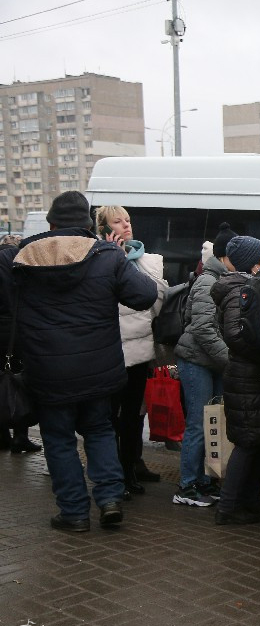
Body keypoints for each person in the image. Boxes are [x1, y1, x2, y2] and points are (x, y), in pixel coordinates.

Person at [0, 191, 157, 531]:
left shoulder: (21, 257)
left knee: (58, 439)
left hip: (46, 369)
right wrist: (119, 258)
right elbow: (144, 296)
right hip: (98, 368)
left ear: (51, 223)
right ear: (88, 224)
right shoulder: (106, 256)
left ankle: (73, 513)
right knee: (99, 431)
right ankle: (110, 499)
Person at [95, 205, 168, 499]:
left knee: (133, 417)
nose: (126, 225)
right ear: (103, 228)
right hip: (108, 352)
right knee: (108, 418)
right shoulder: (96, 257)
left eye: (128, 220)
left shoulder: (146, 260)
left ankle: (129, 469)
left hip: (138, 351)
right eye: (118, 221)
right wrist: (114, 259)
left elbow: (156, 298)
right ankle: (114, 477)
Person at [210, 236, 260, 525]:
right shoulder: (240, 289)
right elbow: (237, 335)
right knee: (248, 442)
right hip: (249, 374)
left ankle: (251, 501)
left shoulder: (238, 286)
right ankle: (226, 507)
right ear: (253, 261)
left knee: (254, 441)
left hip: (246, 374)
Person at [173, 222, 236, 507]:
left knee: (214, 421)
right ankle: (187, 485)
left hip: (212, 361)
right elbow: (202, 328)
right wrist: (228, 360)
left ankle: (207, 480)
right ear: (225, 256)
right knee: (198, 423)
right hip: (196, 360)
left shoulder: (223, 279)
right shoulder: (208, 281)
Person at [0, 234, 39, 454]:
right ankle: (20, 436)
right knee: (18, 382)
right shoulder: (19, 264)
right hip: (16, 332)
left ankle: (2, 434)